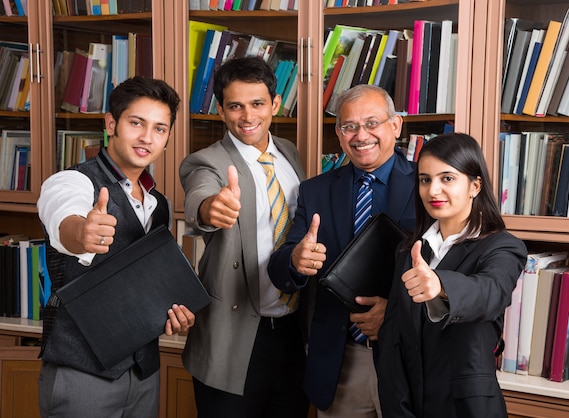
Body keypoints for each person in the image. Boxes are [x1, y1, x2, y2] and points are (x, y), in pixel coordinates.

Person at [37, 76, 193, 418]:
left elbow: (148, 283)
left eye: (160, 128)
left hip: (144, 373)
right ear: (112, 124)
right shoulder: (72, 181)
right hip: (81, 373)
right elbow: (65, 221)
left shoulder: (159, 204)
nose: (146, 138)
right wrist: (84, 232)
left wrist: (173, 312)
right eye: (136, 123)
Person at [268, 84, 416, 417]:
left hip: (410, 358)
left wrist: (394, 314)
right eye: (349, 126)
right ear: (338, 133)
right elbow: (279, 271)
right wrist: (295, 260)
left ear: (395, 126)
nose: (361, 135)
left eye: (372, 123)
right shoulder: (315, 191)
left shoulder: (429, 185)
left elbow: (451, 271)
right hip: (342, 362)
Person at [179, 56, 309, 418]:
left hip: (292, 331)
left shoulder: (289, 153)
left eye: (257, 104)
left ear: (276, 105)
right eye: (235, 106)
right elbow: (199, 197)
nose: (248, 116)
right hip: (233, 337)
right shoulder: (207, 161)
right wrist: (210, 208)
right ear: (221, 110)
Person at [377, 132, 527, 417]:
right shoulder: (409, 251)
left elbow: (491, 293)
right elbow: (392, 340)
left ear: (474, 185)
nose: (433, 191)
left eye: (447, 178)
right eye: (425, 179)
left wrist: (440, 285)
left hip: (467, 409)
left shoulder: (503, 246)